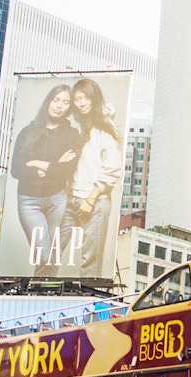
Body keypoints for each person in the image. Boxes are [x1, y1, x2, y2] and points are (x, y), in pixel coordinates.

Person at [11, 84, 80, 277]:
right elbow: (16, 170)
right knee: (45, 253)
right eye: (56, 100)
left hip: (58, 198)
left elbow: (66, 170)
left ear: (70, 107)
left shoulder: (72, 135)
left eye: (65, 102)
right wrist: (53, 165)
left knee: (51, 254)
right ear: (48, 101)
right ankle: (44, 291)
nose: (59, 106)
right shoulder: (28, 132)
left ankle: (41, 294)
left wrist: (36, 163)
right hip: (29, 201)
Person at [59, 78, 123, 278]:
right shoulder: (76, 126)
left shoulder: (104, 127)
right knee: (49, 252)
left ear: (94, 99)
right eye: (77, 98)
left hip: (94, 201)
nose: (81, 102)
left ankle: (88, 307)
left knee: (90, 263)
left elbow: (113, 168)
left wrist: (91, 198)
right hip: (69, 198)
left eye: (86, 97)